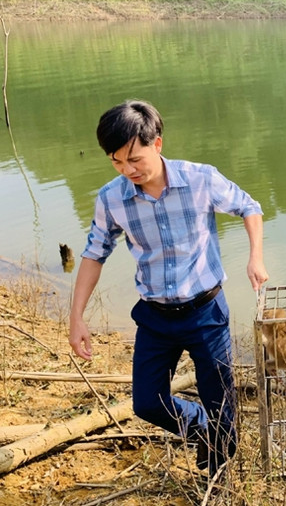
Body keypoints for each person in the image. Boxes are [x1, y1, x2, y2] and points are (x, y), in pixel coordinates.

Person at [68, 100, 269, 477]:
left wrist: (255, 257)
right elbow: (94, 254)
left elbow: (249, 207)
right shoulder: (111, 198)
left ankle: (218, 473)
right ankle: (204, 430)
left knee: (221, 403)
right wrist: (76, 316)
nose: (128, 170)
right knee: (147, 403)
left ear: (157, 144)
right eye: (116, 162)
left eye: (134, 159)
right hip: (156, 316)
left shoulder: (200, 179)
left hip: (206, 311)